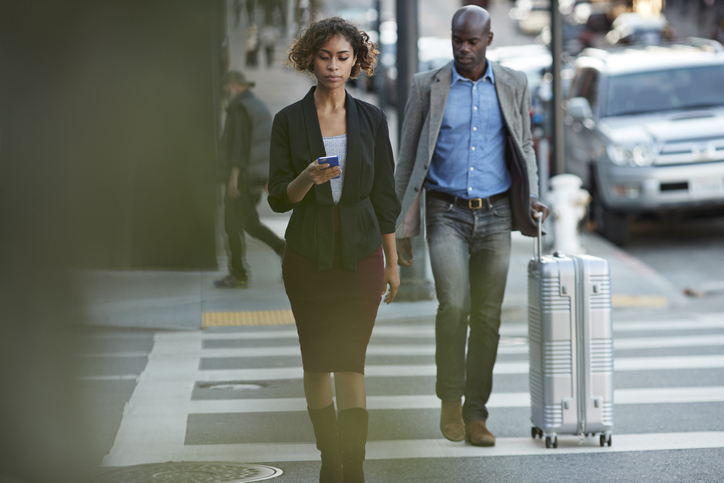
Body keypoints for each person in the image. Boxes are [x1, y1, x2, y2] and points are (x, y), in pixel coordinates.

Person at [394, 5, 550, 447]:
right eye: (457, 41)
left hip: (498, 213)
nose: (463, 49)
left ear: (488, 40)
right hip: (446, 213)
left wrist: (534, 195)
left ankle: (476, 413)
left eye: (472, 42)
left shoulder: (514, 83)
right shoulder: (428, 86)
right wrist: (400, 225)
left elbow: (525, 146)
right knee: (455, 305)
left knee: (487, 317)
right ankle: (450, 400)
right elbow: (407, 156)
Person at [267, 17, 400, 483]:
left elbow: (385, 194)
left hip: (362, 252)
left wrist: (393, 261)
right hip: (308, 255)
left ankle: (354, 466)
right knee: (318, 359)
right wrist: (307, 177)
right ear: (310, 58)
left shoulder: (372, 119)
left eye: (343, 57)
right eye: (325, 56)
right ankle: (330, 459)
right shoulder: (288, 121)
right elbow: (277, 198)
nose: (333, 66)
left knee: (350, 361)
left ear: (357, 61)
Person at [215, 70, 286, 288]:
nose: (225, 93)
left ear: (233, 84)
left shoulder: (240, 108)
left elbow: (239, 144)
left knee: (232, 225)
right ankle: (286, 253)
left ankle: (239, 274)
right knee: (248, 223)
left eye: (226, 88)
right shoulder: (256, 105)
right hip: (254, 176)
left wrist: (234, 175)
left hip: (242, 178)